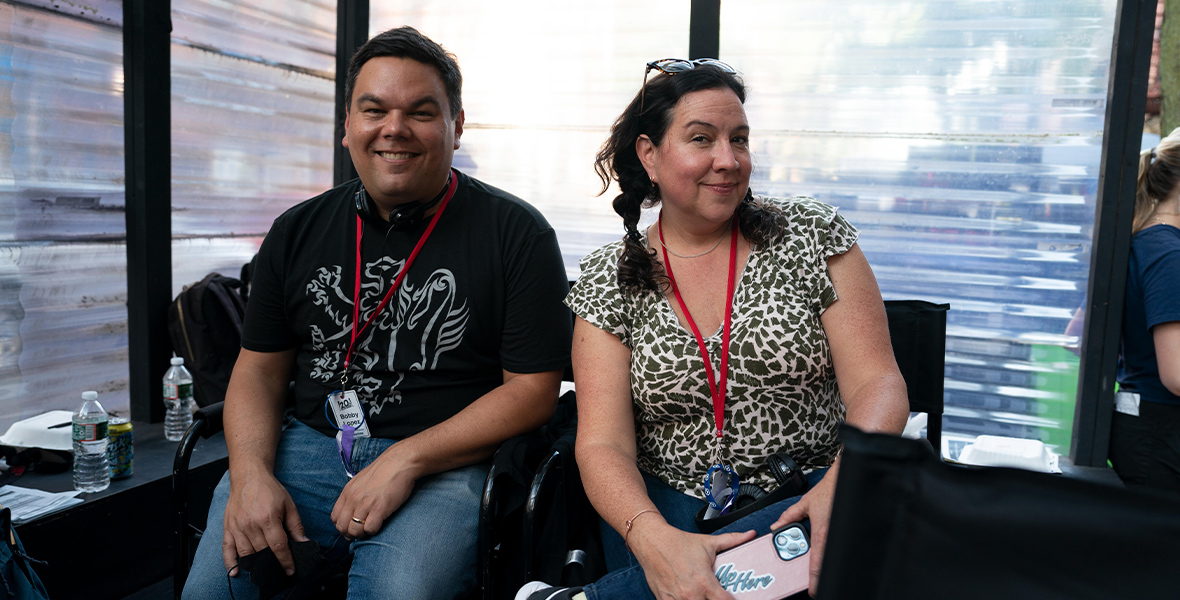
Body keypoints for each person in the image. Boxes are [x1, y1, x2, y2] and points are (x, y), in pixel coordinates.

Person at [182, 26, 572, 600]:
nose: (395, 129)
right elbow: (259, 371)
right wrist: (250, 476)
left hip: (445, 460)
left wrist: (408, 459)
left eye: (421, 111)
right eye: (374, 110)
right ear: (347, 126)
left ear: (456, 126)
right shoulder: (297, 229)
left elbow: (535, 390)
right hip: (307, 447)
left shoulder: (516, 232)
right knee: (212, 593)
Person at [519, 59, 909, 600]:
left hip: (812, 488)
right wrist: (651, 535)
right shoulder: (609, 279)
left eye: (740, 140)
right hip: (670, 509)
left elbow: (878, 384)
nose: (728, 161)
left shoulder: (809, 235)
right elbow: (603, 445)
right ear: (648, 155)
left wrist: (847, 482)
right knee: (745, 566)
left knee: (837, 526)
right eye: (702, 139)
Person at [1109, 127, 1180, 496]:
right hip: (1161, 435)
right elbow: (1178, 375)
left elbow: (1076, 336)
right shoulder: (1169, 255)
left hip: (1141, 430)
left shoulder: (1141, 240)